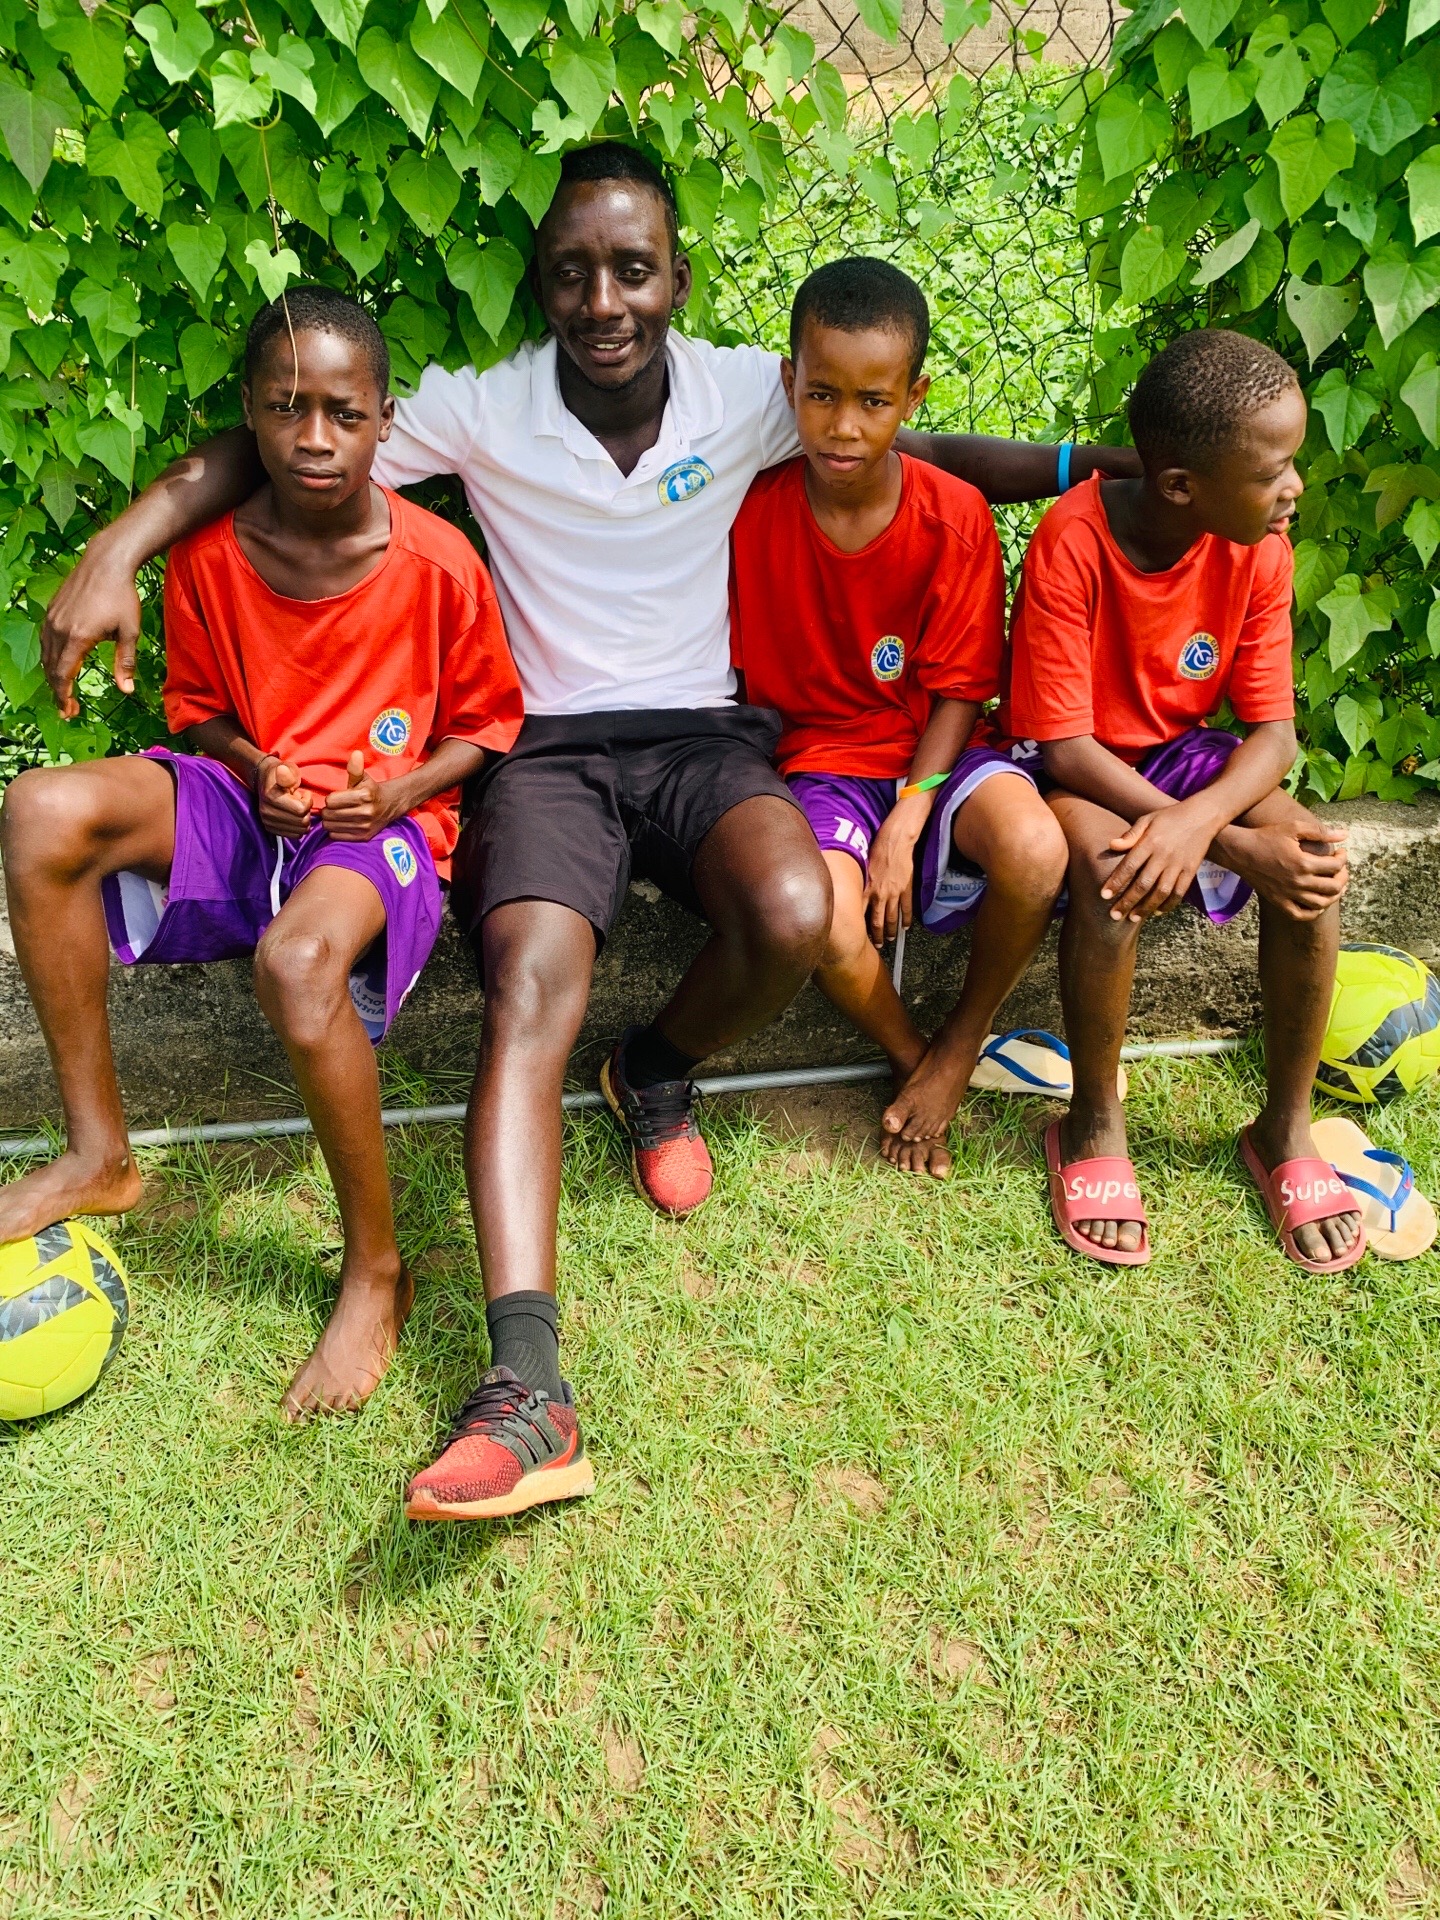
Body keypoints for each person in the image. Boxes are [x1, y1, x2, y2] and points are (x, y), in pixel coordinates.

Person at [42, 141, 1140, 1521]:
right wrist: (120, 546)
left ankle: (654, 1070)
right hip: (545, 750)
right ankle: (528, 1386)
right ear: (540, 282)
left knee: (794, 913)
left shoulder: (751, 392)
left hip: (706, 739)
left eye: (633, 268)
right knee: (529, 989)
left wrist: (1101, 464)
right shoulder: (484, 408)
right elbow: (264, 442)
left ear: (677, 277)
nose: (604, 300)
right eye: (573, 271)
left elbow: (918, 446)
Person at [1, 288, 523, 1418]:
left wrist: (401, 790)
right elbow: (196, 710)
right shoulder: (211, 556)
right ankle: (98, 1155)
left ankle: (375, 1269)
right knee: (40, 809)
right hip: (256, 806)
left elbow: (489, 727)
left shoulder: (439, 563)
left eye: (344, 413)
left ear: (385, 422)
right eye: (287, 409)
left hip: (381, 829)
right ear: (249, 413)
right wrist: (254, 767)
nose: (315, 438)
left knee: (297, 961)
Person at [1003, 328, 1362, 1272]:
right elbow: (1064, 745)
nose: (1294, 488)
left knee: (1311, 869)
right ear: (1179, 487)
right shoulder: (1073, 540)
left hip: (1181, 762)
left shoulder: (1261, 551)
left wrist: (1198, 823)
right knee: (1118, 878)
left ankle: (1284, 1127)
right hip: (1079, 766)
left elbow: (1273, 736)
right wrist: (1227, 847)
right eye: (1273, 472)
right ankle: (1093, 1121)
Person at [730, 259, 1068, 1178]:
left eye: (874, 402)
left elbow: (961, 690)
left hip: (937, 751)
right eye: (822, 395)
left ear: (913, 398)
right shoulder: (748, 515)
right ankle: (912, 1055)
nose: (844, 426)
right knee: (829, 917)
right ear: (788, 383)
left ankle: (961, 1042)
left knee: (1035, 849)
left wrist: (911, 814)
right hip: (823, 764)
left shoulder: (954, 517)